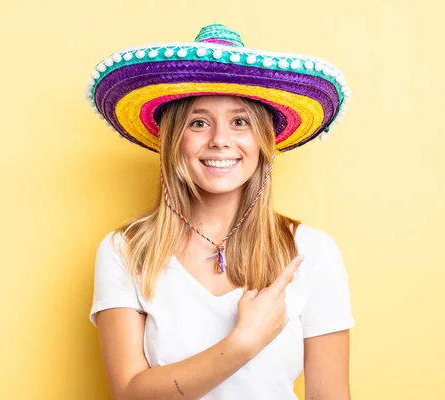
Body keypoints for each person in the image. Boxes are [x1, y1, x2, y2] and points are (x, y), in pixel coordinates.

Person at [86, 23, 355, 399]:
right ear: (172, 140)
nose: (220, 140)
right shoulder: (125, 251)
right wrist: (244, 342)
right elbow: (129, 394)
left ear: (264, 141)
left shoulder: (313, 252)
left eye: (240, 122)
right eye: (198, 123)